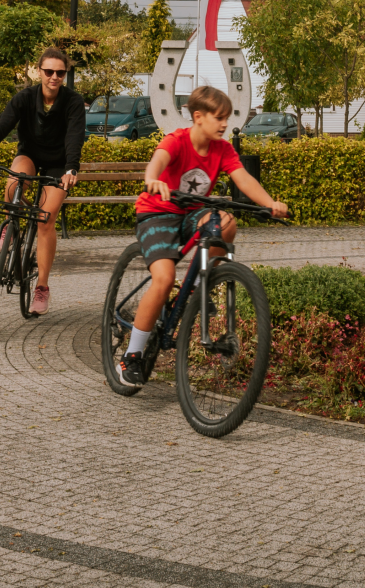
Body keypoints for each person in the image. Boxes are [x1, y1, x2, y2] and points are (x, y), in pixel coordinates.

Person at [119, 83, 288, 385]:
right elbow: (158, 161)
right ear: (198, 117)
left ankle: (198, 286)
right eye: (219, 118)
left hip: (192, 214)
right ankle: (132, 355)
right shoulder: (177, 140)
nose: (225, 124)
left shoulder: (222, 149)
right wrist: (152, 179)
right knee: (164, 279)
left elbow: (243, 179)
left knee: (226, 223)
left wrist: (270, 203)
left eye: (227, 118)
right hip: (157, 211)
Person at [0, 44, 86, 313]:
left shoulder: (73, 102)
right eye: (48, 71)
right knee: (14, 183)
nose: (54, 77)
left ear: (65, 74)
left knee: (46, 219)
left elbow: (74, 137)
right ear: (38, 71)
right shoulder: (24, 98)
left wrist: (71, 169)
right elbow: (2, 126)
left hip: (58, 165)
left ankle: (41, 287)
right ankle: (11, 225)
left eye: (60, 72)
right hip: (30, 156)